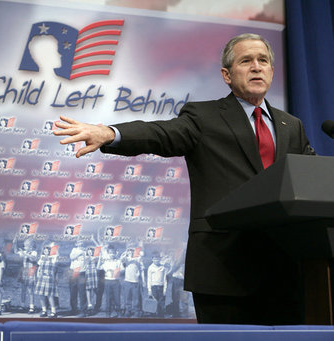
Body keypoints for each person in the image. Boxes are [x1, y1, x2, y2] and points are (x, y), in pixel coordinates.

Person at [53, 33, 315, 325]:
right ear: (227, 75)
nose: (256, 67)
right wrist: (111, 134)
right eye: (246, 61)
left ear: (272, 71)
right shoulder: (204, 116)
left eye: (263, 60)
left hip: (285, 271)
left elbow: (312, 176)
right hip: (224, 270)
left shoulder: (291, 125)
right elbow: (161, 134)